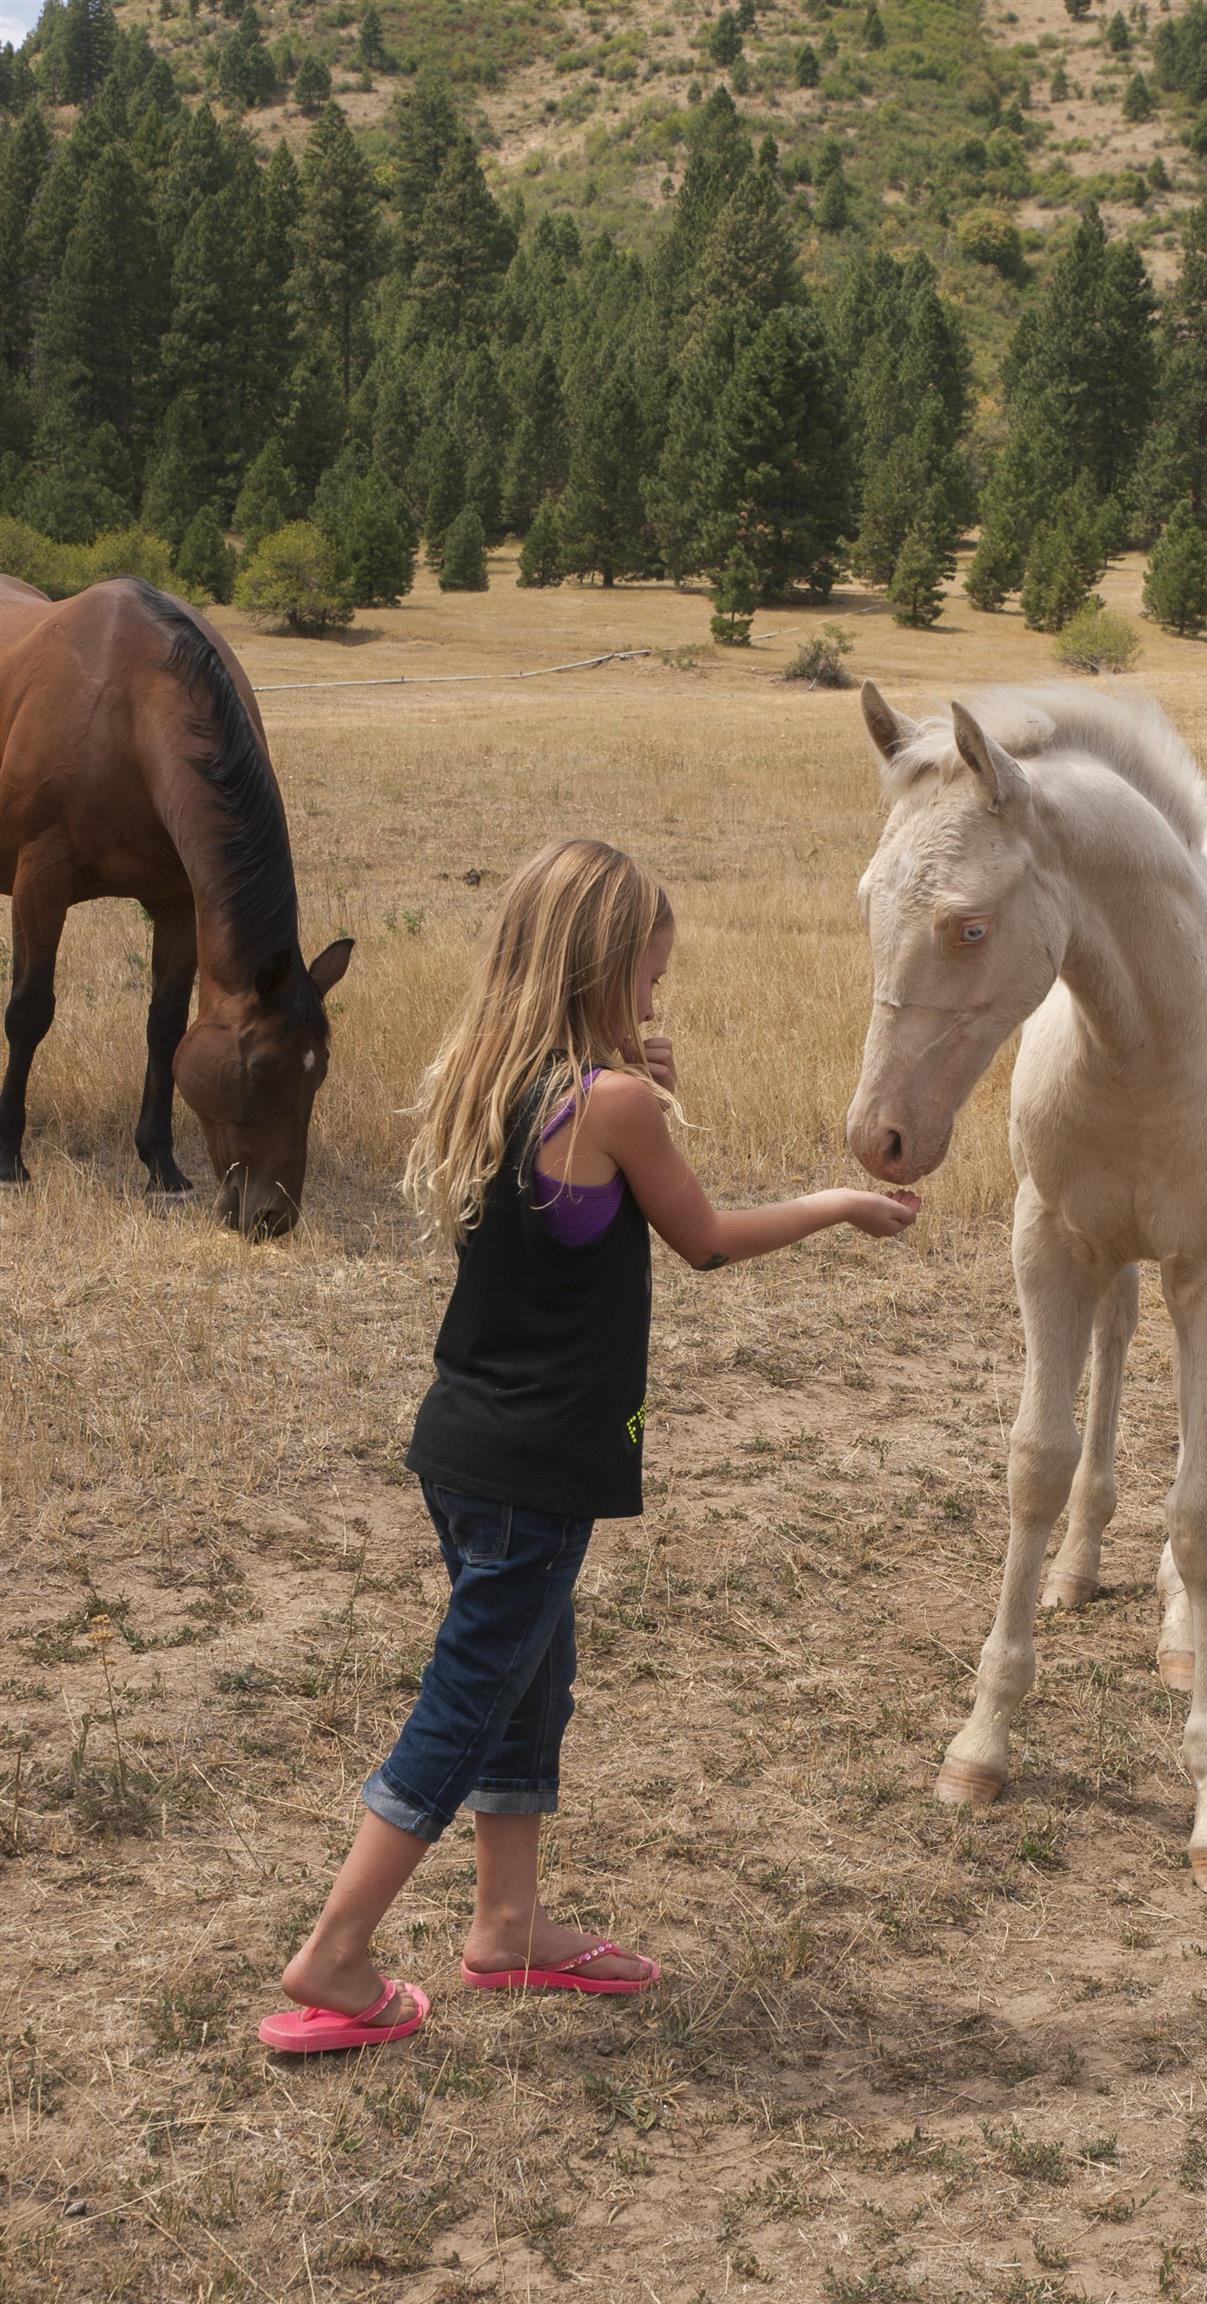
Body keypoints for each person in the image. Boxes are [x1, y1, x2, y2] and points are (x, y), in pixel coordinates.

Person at [260, 839, 918, 2052]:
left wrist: (635, 1071)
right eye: (650, 978)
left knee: (528, 1682)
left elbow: (585, 1192)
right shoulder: (611, 1102)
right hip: (538, 1462)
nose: (660, 1001)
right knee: (466, 1704)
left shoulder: (492, 1072)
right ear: (601, 967)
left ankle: (507, 1926)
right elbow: (705, 1236)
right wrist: (839, 1204)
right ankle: (336, 1956)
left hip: (464, 1441)